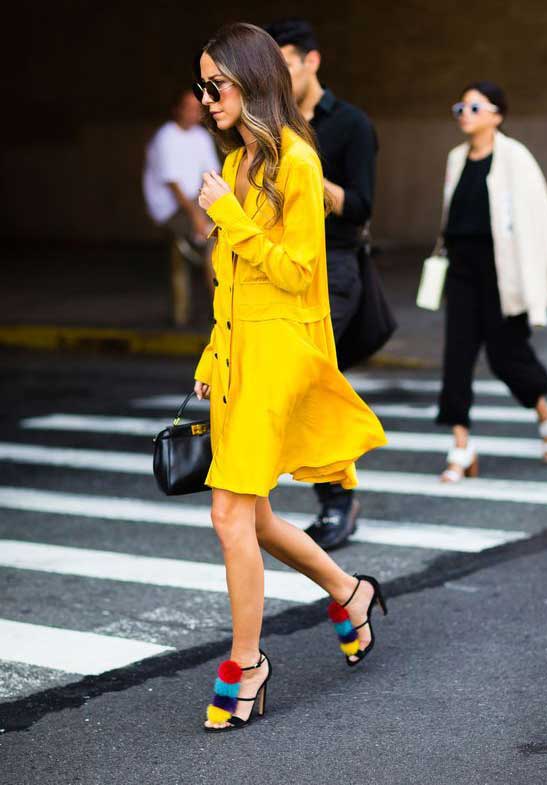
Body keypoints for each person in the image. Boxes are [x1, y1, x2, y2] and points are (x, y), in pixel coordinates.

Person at [192, 22, 388, 732]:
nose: (207, 95)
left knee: (228, 513)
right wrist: (213, 359)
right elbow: (233, 282)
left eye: (217, 82)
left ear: (251, 81)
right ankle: (349, 589)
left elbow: (297, 269)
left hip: (279, 355)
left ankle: (247, 663)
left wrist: (231, 219)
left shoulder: (297, 163)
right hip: (240, 357)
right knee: (259, 518)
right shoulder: (241, 161)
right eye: (202, 84)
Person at [265, 18, 378, 550]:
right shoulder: (271, 129)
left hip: (334, 267)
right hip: (283, 266)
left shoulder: (350, 125)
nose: (280, 73)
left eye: (286, 61)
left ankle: (337, 500)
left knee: (313, 379)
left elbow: (361, 206)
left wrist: (311, 183)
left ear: (312, 61)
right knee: (299, 380)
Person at [437, 81, 547, 482]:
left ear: (497, 115)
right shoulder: (457, 158)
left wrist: (538, 278)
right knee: (456, 356)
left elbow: (541, 221)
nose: (465, 115)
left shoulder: (515, 158)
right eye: (461, 108)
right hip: (461, 270)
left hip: (501, 271)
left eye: (474, 108)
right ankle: (460, 445)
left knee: (507, 356)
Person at [143, 88, 220, 326]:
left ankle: (221, 307)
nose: (193, 113)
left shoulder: (201, 136)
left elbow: (211, 174)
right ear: (176, 110)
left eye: (197, 108)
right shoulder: (166, 136)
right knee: (211, 240)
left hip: (195, 202)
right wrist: (198, 218)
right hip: (171, 208)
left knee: (223, 232)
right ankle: (219, 309)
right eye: (188, 107)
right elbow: (174, 186)